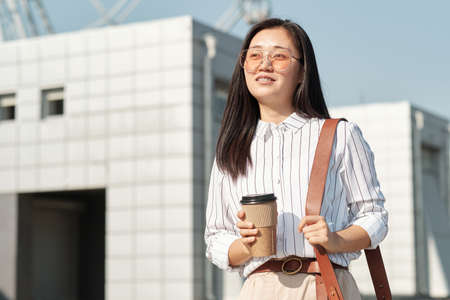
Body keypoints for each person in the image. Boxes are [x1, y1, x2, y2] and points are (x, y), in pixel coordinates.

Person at [204, 18, 388, 299]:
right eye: (254, 55)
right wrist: (246, 247)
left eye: (279, 56)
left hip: (325, 284)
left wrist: (335, 239)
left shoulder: (339, 135)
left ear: (302, 72)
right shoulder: (230, 148)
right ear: (243, 67)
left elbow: (374, 217)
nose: (264, 64)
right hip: (258, 288)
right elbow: (216, 237)